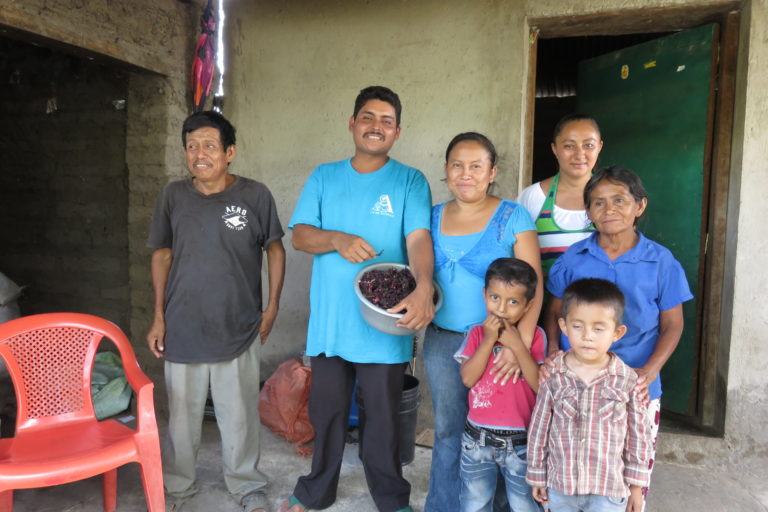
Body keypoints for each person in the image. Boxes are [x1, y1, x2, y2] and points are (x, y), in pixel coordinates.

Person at [283, 86, 434, 512]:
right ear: (352, 124)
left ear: (398, 132)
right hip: (331, 322)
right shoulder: (324, 176)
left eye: (387, 121)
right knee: (327, 411)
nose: (376, 127)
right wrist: (336, 238)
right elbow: (299, 236)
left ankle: (390, 497)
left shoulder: (409, 181)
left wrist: (423, 286)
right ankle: (317, 489)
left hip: (384, 323)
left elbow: (418, 238)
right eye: (368, 117)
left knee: (383, 418)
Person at [146, 111, 286, 512]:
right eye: (191, 146)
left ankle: (245, 483)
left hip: (238, 325)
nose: (199, 154)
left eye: (209, 146)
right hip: (183, 324)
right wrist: (158, 315)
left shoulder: (255, 196)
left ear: (230, 153)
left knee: (238, 413)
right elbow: (162, 254)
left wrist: (272, 305)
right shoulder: (173, 196)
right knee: (183, 418)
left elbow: (274, 248)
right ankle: (179, 486)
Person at [544, 166, 693, 505]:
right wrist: (552, 349)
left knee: (631, 480)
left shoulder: (661, 262)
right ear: (588, 212)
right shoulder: (575, 257)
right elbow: (554, 311)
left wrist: (650, 370)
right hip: (574, 384)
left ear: (640, 206)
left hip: (635, 385)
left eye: (619, 201)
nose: (608, 210)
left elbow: (673, 324)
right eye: (598, 203)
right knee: (572, 469)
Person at [424, 132, 543, 512]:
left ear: (492, 172)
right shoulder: (433, 216)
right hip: (444, 341)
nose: (466, 173)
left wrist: (517, 346)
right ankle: (444, 506)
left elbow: (534, 286)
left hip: (500, 346)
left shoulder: (513, 216)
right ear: (445, 170)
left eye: (477, 166)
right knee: (448, 431)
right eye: (457, 164)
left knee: (507, 433)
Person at [527, 278, 652, 512]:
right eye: (578, 326)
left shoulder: (627, 380)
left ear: (617, 332)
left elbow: (638, 436)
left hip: (608, 490)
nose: (587, 336)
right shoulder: (554, 376)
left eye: (598, 328)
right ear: (563, 326)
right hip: (561, 486)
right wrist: (536, 474)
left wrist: (637, 487)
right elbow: (539, 428)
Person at [455, 258, 544, 512]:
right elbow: (468, 379)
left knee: (524, 504)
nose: (502, 308)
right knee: (474, 503)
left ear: (527, 306)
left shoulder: (535, 337)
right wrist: (488, 340)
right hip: (477, 440)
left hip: (521, 442)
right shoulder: (475, 334)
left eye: (513, 302)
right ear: (484, 295)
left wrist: (517, 346)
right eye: (495, 298)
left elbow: (539, 385)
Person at [517, 114, 603, 281]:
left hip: (601, 304)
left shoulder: (612, 198)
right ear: (554, 149)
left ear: (599, 147)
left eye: (589, 145)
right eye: (569, 146)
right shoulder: (533, 197)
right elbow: (518, 263)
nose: (579, 154)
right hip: (545, 304)